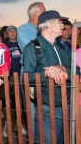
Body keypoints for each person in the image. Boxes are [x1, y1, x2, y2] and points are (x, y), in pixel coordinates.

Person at [23, 10, 71, 143]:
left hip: (66, 105)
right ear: (49, 25)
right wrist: (46, 73)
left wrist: (61, 69)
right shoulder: (33, 47)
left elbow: (75, 72)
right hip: (46, 106)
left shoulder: (62, 47)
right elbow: (27, 77)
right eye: (59, 22)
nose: (63, 25)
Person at [17, 1, 46, 139]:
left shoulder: (45, 29)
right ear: (35, 13)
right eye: (43, 11)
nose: (46, 13)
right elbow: (31, 52)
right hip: (30, 72)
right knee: (31, 108)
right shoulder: (22, 30)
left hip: (46, 72)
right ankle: (34, 140)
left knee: (46, 108)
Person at [4, 25, 25, 136]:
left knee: (20, 102)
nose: (12, 33)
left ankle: (19, 124)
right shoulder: (4, 46)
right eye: (10, 31)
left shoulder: (21, 44)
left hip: (21, 76)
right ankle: (7, 126)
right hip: (9, 77)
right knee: (8, 101)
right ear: (6, 34)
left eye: (14, 31)